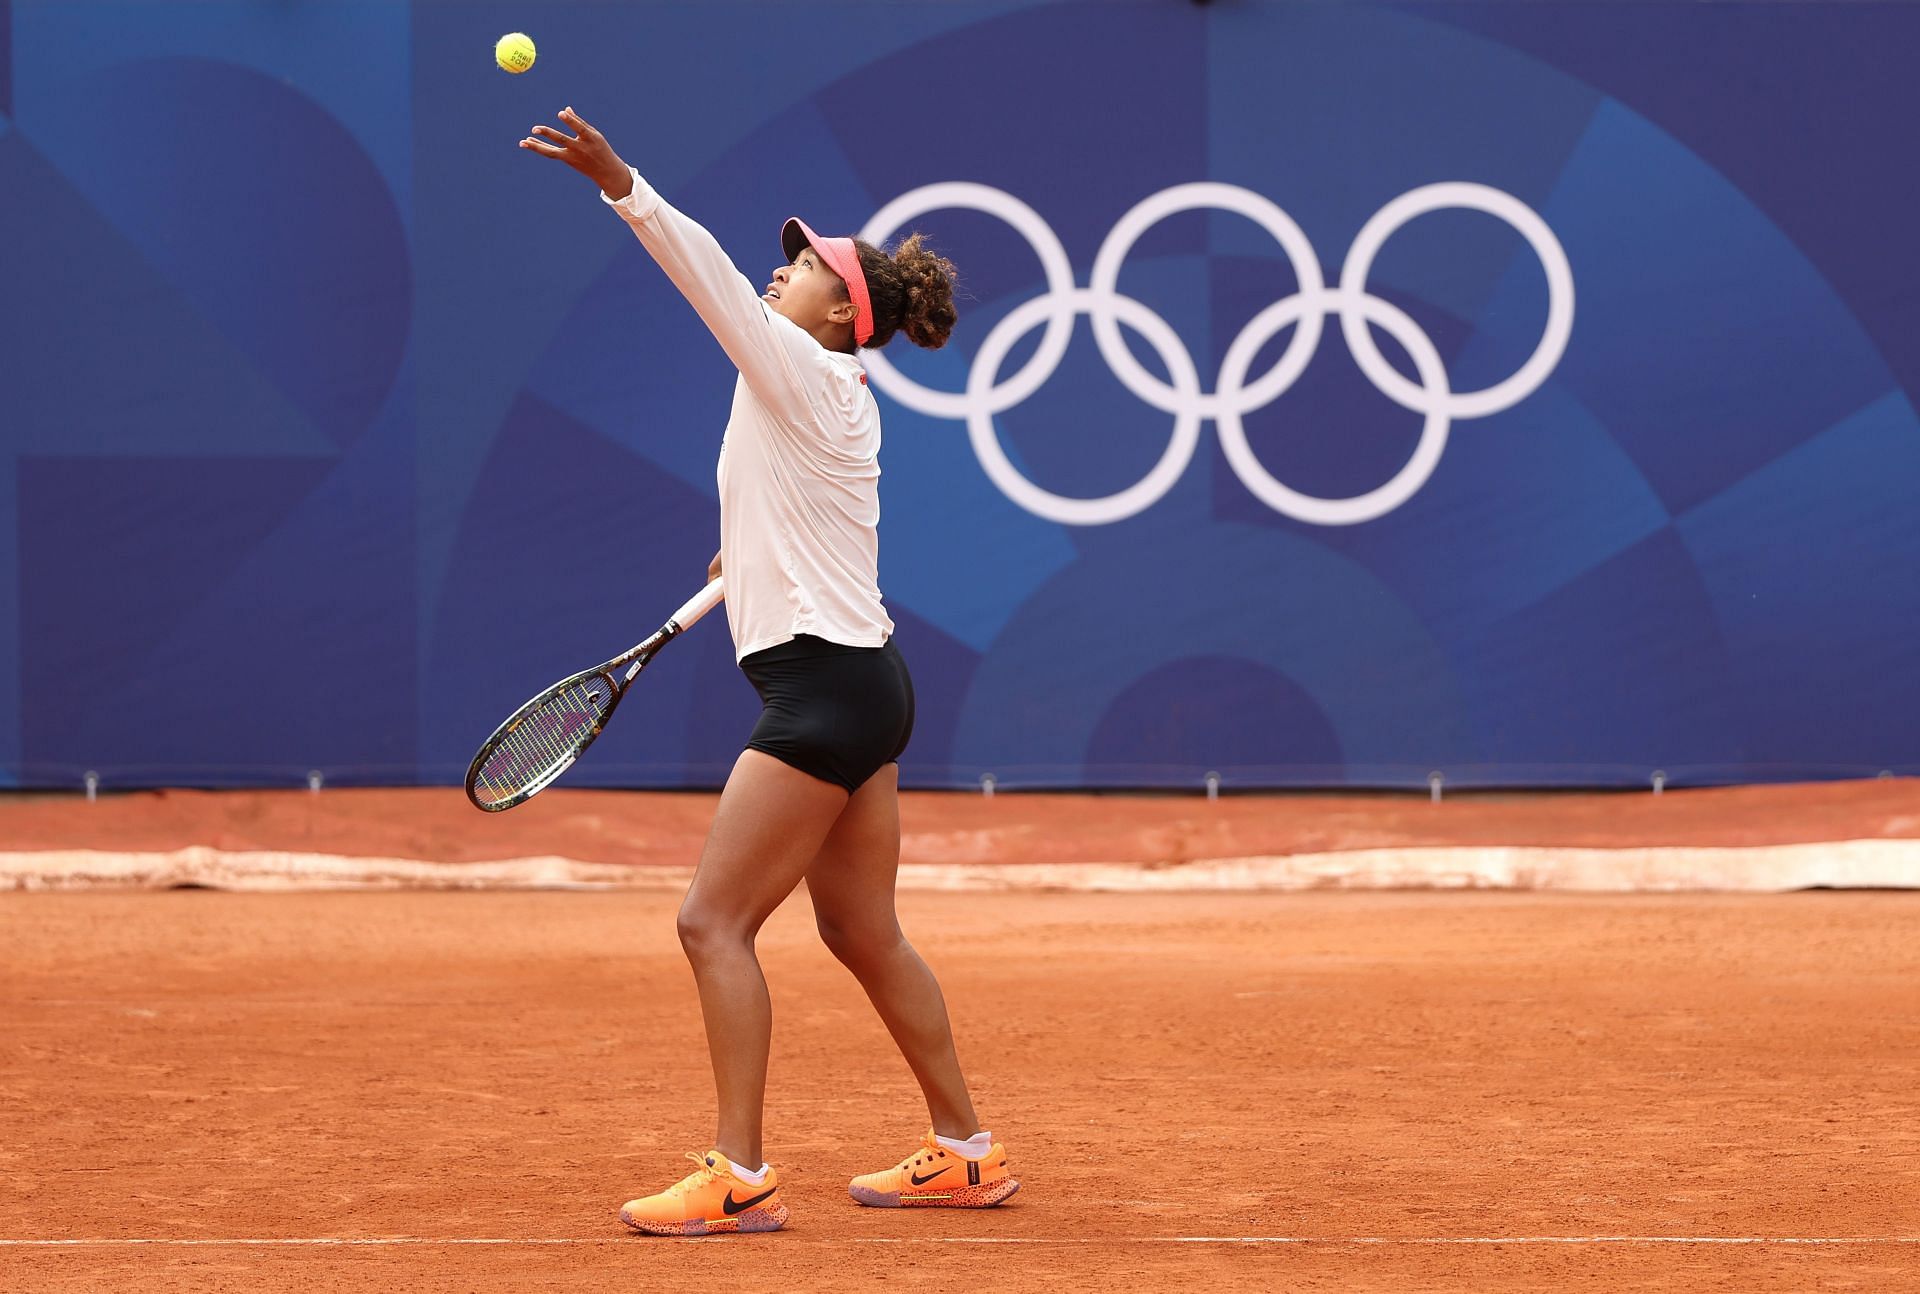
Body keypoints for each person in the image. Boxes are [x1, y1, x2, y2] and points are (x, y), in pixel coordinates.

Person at [520, 108, 1018, 1236]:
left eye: (795, 270)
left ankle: (737, 1173)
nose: (772, 275)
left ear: (841, 312)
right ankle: (967, 1152)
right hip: (868, 682)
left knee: (712, 923)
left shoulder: (800, 364)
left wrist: (622, 184)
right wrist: (745, 550)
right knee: (862, 933)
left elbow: (704, 280)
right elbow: (805, 525)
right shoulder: (831, 398)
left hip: (824, 695)